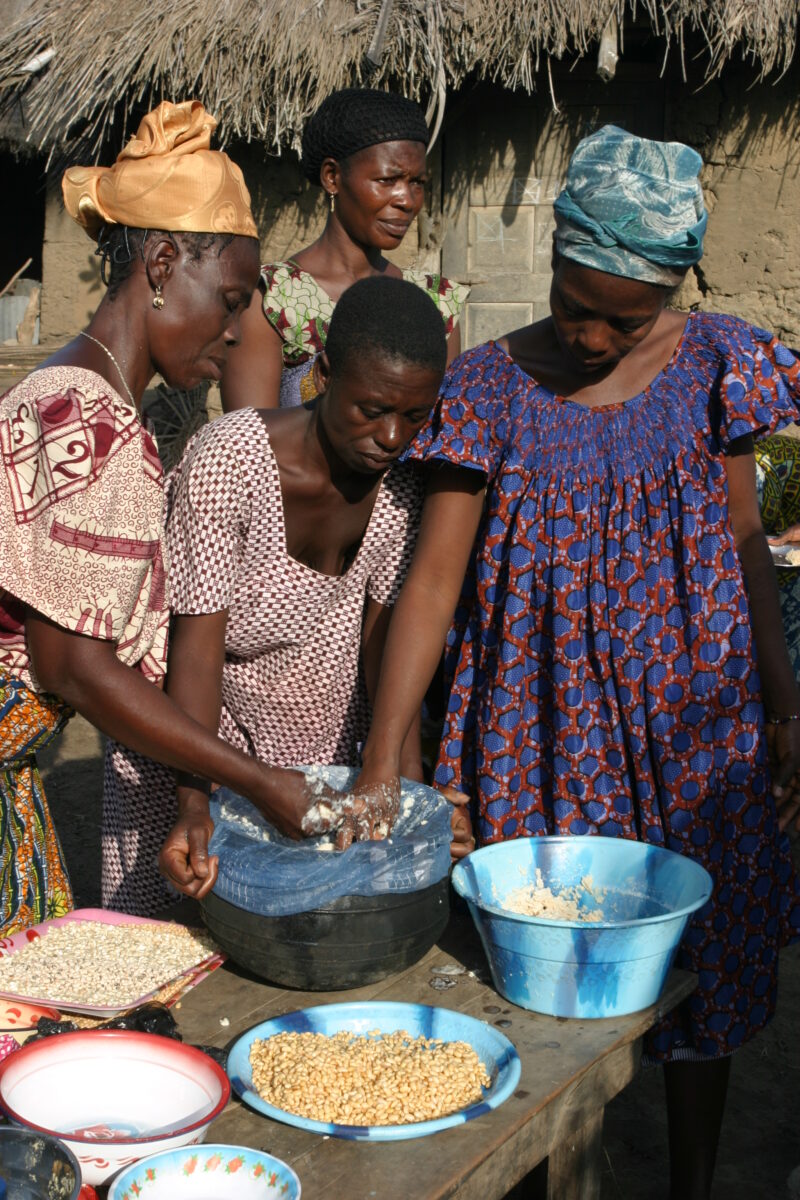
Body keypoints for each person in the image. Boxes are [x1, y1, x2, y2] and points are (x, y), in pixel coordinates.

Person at [354, 126, 800, 1200]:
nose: (592, 333)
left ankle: (687, 1181)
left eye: (622, 314)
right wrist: (384, 759)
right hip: (533, 726)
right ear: (551, 262)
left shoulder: (715, 368)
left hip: (695, 727)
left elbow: (744, 549)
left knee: (707, 961)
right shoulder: (485, 389)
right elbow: (430, 584)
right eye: (572, 302)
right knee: (538, 969)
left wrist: (783, 707)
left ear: (668, 292)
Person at [0, 100, 347, 938]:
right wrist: (258, 779)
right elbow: (75, 665)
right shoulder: (80, 416)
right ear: (159, 263)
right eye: (228, 303)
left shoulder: (104, 396)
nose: (236, 336)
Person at [101, 275, 469, 912]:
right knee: (182, 925)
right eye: (371, 409)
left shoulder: (404, 492)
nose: (390, 437)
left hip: (320, 748)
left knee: (315, 929)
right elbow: (195, 651)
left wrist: (408, 795)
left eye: (414, 416)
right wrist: (196, 801)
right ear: (324, 374)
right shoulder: (232, 463)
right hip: (199, 740)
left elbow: (384, 652)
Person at [220, 87, 469, 412]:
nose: (407, 200)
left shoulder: (435, 304)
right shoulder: (272, 300)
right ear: (332, 177)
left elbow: (444, 437)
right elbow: (251, 445)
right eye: (386, 180)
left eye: (417, 183)